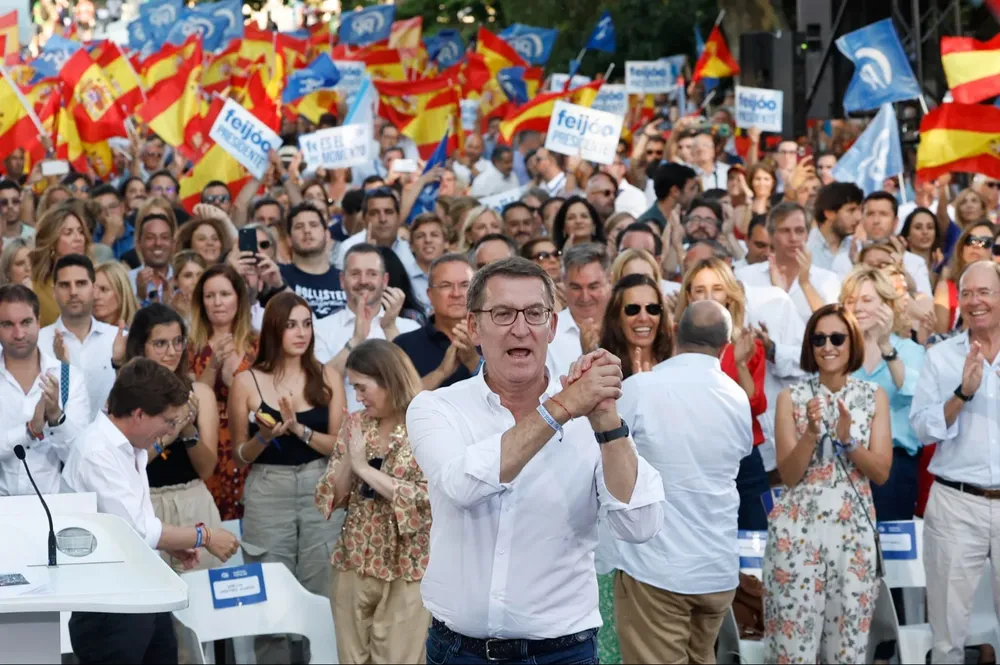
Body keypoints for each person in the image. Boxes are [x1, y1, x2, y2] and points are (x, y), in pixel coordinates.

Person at [407, 257, 665, 665]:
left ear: (553, 327)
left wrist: (606, 422)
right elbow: (462, 486)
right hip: (459, 652)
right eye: (503, 313)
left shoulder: (588, 415)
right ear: (474, 327)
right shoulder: (436, 409)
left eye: (534, 313)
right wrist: (562, 407)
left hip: (564, 652)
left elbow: (640, 525)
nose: (521, 328)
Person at [62, 358, 240, 664]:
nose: (169, 432)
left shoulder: (130, 447)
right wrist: (204, 536)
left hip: (143, 595)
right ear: (139, 414)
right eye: (168, 421)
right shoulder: (96, 452)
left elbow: (140, 523)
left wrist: (176, 543)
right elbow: (138, 532)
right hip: (111, 609)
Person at [615, 300, 751, 663]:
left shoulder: (642, 388)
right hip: (716, 570)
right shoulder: (737, 397)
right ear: (725, 346)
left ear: (674, 331)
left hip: (658, 569)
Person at [765, 304, 892, 663]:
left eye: (837, 338)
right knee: (792, 652)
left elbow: (881, 472)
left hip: (853, 538)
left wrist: (848, 440)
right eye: (818, 339)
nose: (828, 346)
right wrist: (810, 434)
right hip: (797, 536)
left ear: (852, 343)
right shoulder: (789, 397)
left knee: (846, 652)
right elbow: (788, 475)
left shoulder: (872, 396)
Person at [229, 291, 346, 663]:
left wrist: (299, 430)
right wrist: (264, 437)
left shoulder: (327, 375)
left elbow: (340, 448)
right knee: (270, 598)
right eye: (292, 325)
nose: (301, 333)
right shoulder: (247, 381)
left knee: (323, 593)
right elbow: (239, 455)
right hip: (267, 487)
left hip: (320, 485)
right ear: (274, 330)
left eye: (307, 324)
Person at [314, 340, 432, 664]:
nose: (359, 397)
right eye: (353, 388)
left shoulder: (426, 425)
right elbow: (330, 497)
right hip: (352, 561)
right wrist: (348, 460)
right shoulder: (358, 423)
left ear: (389, 379)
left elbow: (428, 498)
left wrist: (364, 468)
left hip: (406, 567)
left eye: (363, 387)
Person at [910, 261, 1000, 664]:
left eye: (985, 292)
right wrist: (961, 395)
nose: (975, 301)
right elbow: (921, 430)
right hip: (955, 502)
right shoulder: (941, 357)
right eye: (966, 293)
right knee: (946, 633)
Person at [123, 304, 223, 571]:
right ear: (140, 346)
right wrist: (171, 433)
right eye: (160, 343)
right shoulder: (125, 396)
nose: (172, 351)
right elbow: (129, 465)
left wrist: (189, 431)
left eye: (178, 341)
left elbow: (206, 469)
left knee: (201, 599)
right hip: (148, 505)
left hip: (194, 502)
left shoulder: (199, 393)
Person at [678, 257, 770, 530]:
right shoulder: (674, 344)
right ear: (688, 296)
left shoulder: (748, 343)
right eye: (699, 290)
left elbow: (754, 404)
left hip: (746, 461)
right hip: (693, 459)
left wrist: (740, 363)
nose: (709, 297)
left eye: (717, 288)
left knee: (758, 541)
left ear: (730, 295)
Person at [0, 284, 89, 495]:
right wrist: (30, 430)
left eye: (26, 322)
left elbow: (80, 460)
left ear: (39, 322)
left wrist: (56, 418)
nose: (19, 333)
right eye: (7, 324)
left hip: (56, 510)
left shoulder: (69, 378)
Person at [188, 265, 259, 520]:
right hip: (207, 441)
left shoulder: (258, 344)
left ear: (238, 298)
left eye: (225, 294)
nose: (217, 302)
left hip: (248, 440)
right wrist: (213, 366)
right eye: (210, 296)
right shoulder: (190, 345)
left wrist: (235, 383)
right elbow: (193, 398)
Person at [314, 244, 419, 410]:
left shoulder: (409, 327)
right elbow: (317, 387)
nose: (363, 281)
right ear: (342, 280)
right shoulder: (320, 328)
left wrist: (390, 329)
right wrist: (355, 341)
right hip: (341, 430)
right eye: (355, 274)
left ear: (384, 281)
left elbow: (416, 385)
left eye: (372, 274)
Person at [37, 254, 124, 421]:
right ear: (54, 292)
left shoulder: (118, 339)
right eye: (64, 285)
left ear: (94, 289)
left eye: (81, 283)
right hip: (52, 443)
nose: (73, 292)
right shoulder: (37, 343)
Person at [736, 202, 841, 323]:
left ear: (807, 235)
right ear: (771, 235)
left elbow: (832, 324)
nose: (793, 238)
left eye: (799, 231)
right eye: (785, 231)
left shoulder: (827, 280)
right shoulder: (745, 278)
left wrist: (805, 284)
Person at [394, 254, 479, 390]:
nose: (456, 293)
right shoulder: (404, 346)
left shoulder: (496, 340)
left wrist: (474, 362)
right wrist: (441, 373)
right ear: (430, 295)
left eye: (465, 285)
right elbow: (397, 406)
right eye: (446, 285)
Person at [546, 243, 612, 379]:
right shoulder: (547, 334)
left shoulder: (626, 326)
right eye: (576, 288)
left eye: (593, 287)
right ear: (563, 282)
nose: (585, 297)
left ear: (610, 280)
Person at [279, 202, 347, 319]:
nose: (307, 230)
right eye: (299, 227)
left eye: (313, 225)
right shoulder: (278, 277)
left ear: (327, 234)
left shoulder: (346, 279)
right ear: (289, 239)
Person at [598, 273, 673, 379]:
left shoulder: (675, 364)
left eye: (652, 309)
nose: (643, 318)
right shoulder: (602, 371)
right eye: (632, 309)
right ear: (616, 317)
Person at [28, 201, 92, 326]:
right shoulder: (34, 289)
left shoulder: (98, 278)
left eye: (80, 232)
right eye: (68, 233)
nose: (78, 238)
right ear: (51, 241)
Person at [932, 222, 996, 334]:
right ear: (961, 248)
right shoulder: (946, 287)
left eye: (985, 242)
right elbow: (940, 338)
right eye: (970, 240)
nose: (976, 245)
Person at [806, 182, 864, 276]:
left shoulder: (858, 248)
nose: (858, 217)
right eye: (851, 210)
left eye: (860, 210)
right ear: (829, 213)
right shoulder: (806, 246)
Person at [128, 208, 177, 305]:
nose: (158, 243)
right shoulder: (126, 281)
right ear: (138, 244)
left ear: (173, 244)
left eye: (164, 237)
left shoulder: (183, 279)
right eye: (150, 237)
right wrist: (139, 297)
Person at [409, 213, 447, 313]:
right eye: (420, 236)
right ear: (411, 245)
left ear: (446, 243)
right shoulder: (404, 277)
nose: (428, 240)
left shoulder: (459, 275)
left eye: (434, 235)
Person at [94, 261, 139, 326]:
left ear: (122, 293)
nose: (95, 296)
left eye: (103, 289)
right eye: (91, 290)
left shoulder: (142, 332)